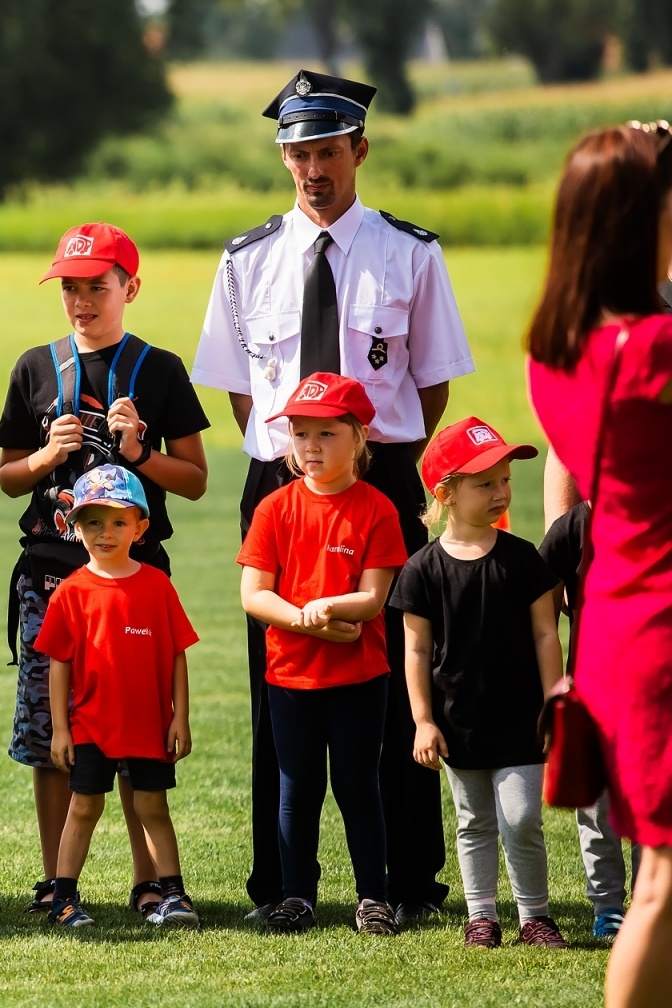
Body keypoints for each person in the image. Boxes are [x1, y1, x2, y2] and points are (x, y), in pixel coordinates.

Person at [190, 70, 475, 925]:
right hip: (279, 482)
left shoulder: (410, 252)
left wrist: (369, 463)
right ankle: (281, 884)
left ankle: (404, 879)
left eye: (326, 151)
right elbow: (241, 389)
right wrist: (299, 460)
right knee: (279, 682)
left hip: (380, 479)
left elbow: (429, 390)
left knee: (394, 676)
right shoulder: (246, 259)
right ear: (283, 157)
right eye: (297, 153)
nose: (312, 168)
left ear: (360, 149)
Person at [0, 221, 210, 918]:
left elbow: (197, 479)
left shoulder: (161, 368)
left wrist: (141, 455)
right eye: (71, 288)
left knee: (135, 726)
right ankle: (62, 886)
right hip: (53, 576)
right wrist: (45, 457)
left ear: (130, 288)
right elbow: (7, 477)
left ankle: (152, 882)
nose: (82, 301)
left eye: (98, 286)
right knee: (49, 731)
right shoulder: (35, 365)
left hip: (135, 579)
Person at [527, 121, 672, 1008]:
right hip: (663, 622)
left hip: (619, 616)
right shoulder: (653, 353)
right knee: (660, 881)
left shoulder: (562, 349)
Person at [238, 373, 408, 935]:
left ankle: (373, 898)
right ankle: (296, 896)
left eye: (326, 434)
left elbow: (373, 597)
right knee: (297, 784)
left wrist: (328, 608)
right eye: (299, 432)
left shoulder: (377, 509)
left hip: (360, 676)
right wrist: (308, 621)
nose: (310, 446)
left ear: (359, 437)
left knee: (359, 783)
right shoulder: (274, 508)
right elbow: (254, 595)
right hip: (289, 675)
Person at [391, 418, 567, 949]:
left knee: (521, 818)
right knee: (473, 821)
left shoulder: (523, 560)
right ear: (445, 493)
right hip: (457, 722)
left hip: (523, 719)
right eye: (484, 483)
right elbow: (416, 650)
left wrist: (556, 704)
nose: (501, 492)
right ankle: (481, 917)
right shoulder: (421, 570)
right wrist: (423, 720)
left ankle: (534, 916)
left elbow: (545, 636)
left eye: (505, 480)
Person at [32, 466, 200, 930]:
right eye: (93, 522)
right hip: (91, 725)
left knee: (152, 807)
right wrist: (62, 729)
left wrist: (179, 717)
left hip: (148, 722)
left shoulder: (157, 586)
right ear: (73, 526)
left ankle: (174, 895)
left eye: (118, 522)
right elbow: (58, 664)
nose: (106, 533)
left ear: (140, 527)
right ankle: (64, 898)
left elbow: (177, 656)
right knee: (84, 806)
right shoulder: (71, 593)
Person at [538, 498, 639, 939]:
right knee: (597, 811)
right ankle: (608, 907)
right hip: (594, 695)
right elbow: (533, 581)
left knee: (649, 805)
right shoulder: (578, 522)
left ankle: (653, 902)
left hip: (654, 695)